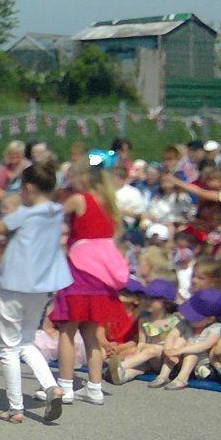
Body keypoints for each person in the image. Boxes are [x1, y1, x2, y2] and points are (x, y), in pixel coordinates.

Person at [0, 162, 71, 423]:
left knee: (9, 346)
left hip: (15, 282)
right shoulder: (56, 211)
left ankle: (16, 407)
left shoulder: (28, 213)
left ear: (29, 187)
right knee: (25, 341)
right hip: (42, 284)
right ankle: (51, 386)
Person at [51, 162, 130, 407]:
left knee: (67, 329)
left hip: (80, 267)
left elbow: (53, 213)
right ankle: (94, 386)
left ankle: (65, 385)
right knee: (92, 331)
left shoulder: (80, 199)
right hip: (102, 271)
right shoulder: (109, 203)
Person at [153, 287, 221, 390]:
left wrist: (179, 350)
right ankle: (163, 375)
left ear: (210, 319)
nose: (189, 318)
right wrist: (168, 350)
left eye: (194, 317)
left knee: (191, 347)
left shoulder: (215, 327)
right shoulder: (186, 322)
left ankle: (182, 379)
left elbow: (205, 345)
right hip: (179, 360)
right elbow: (173, 335)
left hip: (200, 364)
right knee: (179, 340)